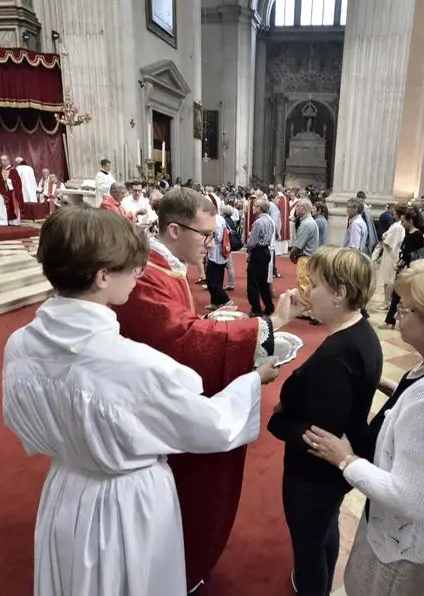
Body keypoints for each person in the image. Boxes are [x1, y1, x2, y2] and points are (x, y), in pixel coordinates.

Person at [3, 207, 280, 596]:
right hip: (127, 504)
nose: (139, 274)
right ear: (101, 276)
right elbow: (211, 424)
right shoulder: (131, 364)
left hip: (65, 488)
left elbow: (22, 423)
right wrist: (252, 382)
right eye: (131, 268)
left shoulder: (19, 344)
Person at [112, 187, 302, 593]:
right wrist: (268, 327)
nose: (213, 244)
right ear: (175, 230)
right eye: (206, 235)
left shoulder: (168, 267)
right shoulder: (148, 275)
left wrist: (215, 318)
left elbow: (181, 329)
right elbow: (179, 341)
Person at [304, 258, 424, 596]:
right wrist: (397, 393)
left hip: (405, 544)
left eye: (406, 310)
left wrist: (346, 460)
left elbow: (407, 500)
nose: (396, 315)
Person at [268, 247, 383, 596]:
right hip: (332, 472)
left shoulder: (336, 354)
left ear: (340, 293)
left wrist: (278, 419)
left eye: (315, 285)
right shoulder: (360, 330)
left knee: (308, 545)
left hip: (313, 475)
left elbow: (320, 436)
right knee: (324, 532)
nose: (307, 292)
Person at [381, 208, 424, 329]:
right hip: (405, 267)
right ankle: (391, 320)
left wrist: (400, 263)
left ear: (410, 221)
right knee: (397, 295)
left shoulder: (417, 235)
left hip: (411, 269)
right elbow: (405, 251)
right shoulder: (410, 233)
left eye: (404, 221)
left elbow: (411, 254)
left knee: (404, 296)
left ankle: (398, 321)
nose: (402, 223)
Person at [289, 198, 320, 323]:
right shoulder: (308, 221)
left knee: (305, 285)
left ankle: (313, 313)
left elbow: (298, 245)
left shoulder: (307, 224)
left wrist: (292, 256)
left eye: (298, 207)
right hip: (309, 257)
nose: (296, 209)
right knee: (306, 285)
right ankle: (307, 311)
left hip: (306, 258)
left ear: (305, 208)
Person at [246, 196, 277, 317]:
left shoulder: (258, 222)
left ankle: (256, 308)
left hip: (258, 252)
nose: (252, 208)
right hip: (266, 252)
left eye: (254, 206)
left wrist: (248, 252)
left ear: (260, 208)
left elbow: (252, 242)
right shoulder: (269, 220)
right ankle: (269, 306)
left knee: (253, 282)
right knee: (264, 282)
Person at [373, 204, 407, 307]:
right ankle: (386, 301)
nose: (393, 213)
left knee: (389, 279)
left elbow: (388, 242)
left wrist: (384, 239)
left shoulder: (397, 227)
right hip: (389, 253)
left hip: (391, 254)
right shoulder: (396, 225)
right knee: (387, 278)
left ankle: (387, 302)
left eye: (394, 211)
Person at [204, 199, 234, 310]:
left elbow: (216, 236)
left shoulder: (215, 220)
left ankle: (226, 300)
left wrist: (207, 239)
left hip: (216, 252)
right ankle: (215, 302)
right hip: (220, 252)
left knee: (212, 280)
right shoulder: (220, 218)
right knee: (218, 279)